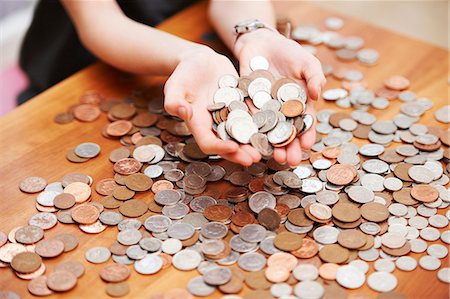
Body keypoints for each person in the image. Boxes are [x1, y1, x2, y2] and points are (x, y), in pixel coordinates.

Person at [19, 0, 326, 167]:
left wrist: (256, 34)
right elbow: (100, 21)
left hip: (186, 42)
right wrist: (187, 56)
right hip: (82, 74)